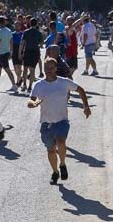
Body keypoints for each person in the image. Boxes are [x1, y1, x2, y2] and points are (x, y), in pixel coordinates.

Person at [28, 56, 90, 184]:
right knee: (51, 150)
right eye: (46, 68)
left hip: (62, 121)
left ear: (56, 68)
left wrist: (86, 107)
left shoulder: (64, 82)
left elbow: (81, 90)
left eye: (51, 68)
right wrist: (33, 104)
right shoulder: (38, 85)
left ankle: (62, 164)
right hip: (46, 124)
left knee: (61, 142)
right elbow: (31, 100)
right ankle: (55, 172)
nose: (49, 70)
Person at [18, 17, 42, 90]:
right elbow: (41, 44)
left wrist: (20, 53)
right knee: (32, 70)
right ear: (36, 24)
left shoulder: (26, 32)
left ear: (29, 23)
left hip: (27, 51)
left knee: (25, 69)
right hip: (35, 52)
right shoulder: (39, 33)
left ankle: (24, 84)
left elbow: (22, 43)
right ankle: (30, 86)